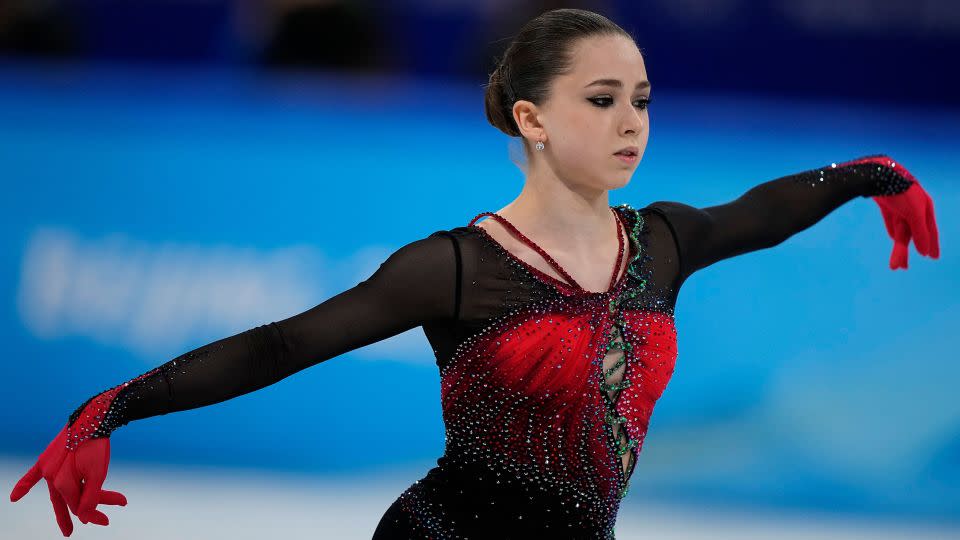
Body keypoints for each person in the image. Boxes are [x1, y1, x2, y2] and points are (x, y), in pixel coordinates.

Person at [8, 8, 940, 540]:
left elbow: (763, 212)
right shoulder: (456, 267)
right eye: (603, 99)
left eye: (643, 102)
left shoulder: (662, 241)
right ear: (532, 119)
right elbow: (286, 343)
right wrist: (112, 407)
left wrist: (867, 177)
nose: (632, 122)